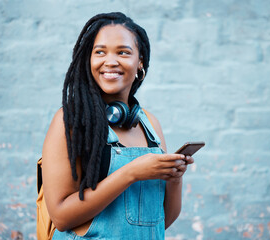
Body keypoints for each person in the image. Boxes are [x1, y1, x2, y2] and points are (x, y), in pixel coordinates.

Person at [41, 12, 194, 239]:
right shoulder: (70, 121)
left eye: (123, 52)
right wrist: (131, 173)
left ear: (140, 61)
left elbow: (162, 220)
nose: (110, 61)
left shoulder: (150, 124)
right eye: (100, 52)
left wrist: (175, 178)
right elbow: (62, 217)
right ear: (88, 60)